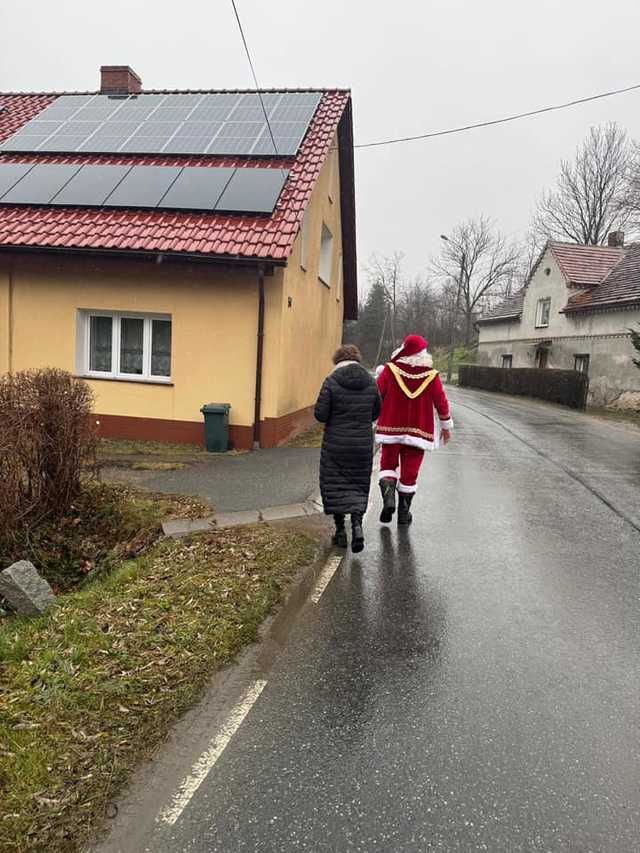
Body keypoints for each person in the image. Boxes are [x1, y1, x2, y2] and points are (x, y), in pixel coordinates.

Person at [375, 334, 453, 525]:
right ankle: (403, 513)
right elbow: (441, 402)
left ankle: (389, 500)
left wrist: (371, 417)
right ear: (422, 354)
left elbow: (376, 394)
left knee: (387, 465)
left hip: (390, 428)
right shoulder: (431, 375)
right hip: (419, 432)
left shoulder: (390, 370)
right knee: (410, 472)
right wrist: (446, 426)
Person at [314, 344, 381, 553]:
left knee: (336, 485)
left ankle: (341, 531)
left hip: (336, 444)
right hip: (361, 444)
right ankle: (357, 526)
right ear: (357, 360)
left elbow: (320, 414)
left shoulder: (332, 381)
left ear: (337, 361)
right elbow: (376, 411)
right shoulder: (370, 382)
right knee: (358, 484)